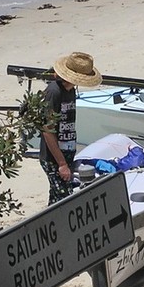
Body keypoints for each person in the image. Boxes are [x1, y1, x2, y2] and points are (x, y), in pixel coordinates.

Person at [39, 52, 103, 205]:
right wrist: (61, 164)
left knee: (56, 198)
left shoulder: (71, 90)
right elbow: (47, 131)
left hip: (67, 152)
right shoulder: (54, 92)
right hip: (53, 158)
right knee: (66, 198)